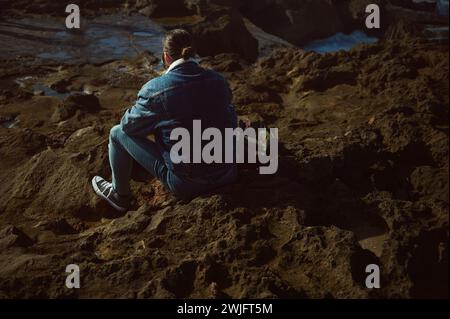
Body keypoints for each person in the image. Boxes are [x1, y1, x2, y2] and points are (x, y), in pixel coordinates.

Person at [91, 29, 238, 212]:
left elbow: (129, 127)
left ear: (166, 57)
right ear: (193, 52)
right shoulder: (218, 80)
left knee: (116, 133)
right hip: (227, 173)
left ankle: (119, 195)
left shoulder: (156, 89)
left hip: (187, 184)